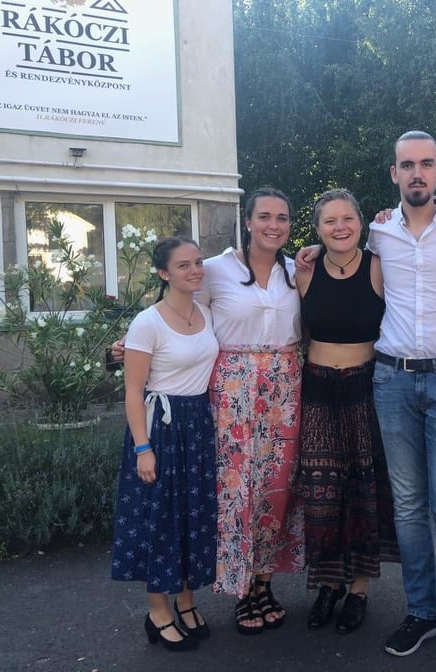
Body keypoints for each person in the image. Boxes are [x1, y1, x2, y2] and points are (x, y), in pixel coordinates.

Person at [295, 188, 400, 634]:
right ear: (317, 229)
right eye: (329, 221)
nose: (340, 227)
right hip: (317, 388)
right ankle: (328, 584)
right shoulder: (303, 270)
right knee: (322, 493)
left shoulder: (380, 265)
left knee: (363, 491)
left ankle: (358, 589)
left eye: (347, 219)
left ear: (361, 222)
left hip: (366, 387)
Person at [201, 187, 305, 635]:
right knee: (237, 487)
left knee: (277, 488)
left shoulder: (297, 270)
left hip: (286, 387)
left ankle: (264, 581)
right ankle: (241, 588)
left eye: (282, 217)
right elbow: (180, 314)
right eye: (264, 216)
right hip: (232, 392)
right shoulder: (214, 270)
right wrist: (138, 344)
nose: (273, 225)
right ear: (247, 221)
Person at [110, 236, 219, 652]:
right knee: (159, 520)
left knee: (194, 517)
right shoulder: (148, 322)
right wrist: (143, 448)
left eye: (198, 263)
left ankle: (186, 602)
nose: (194, 271)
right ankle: (158, 611)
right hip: (161, 428)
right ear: (163, 273)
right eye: (183, 265)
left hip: (197, 426)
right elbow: (133, 391)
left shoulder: (206, 313)